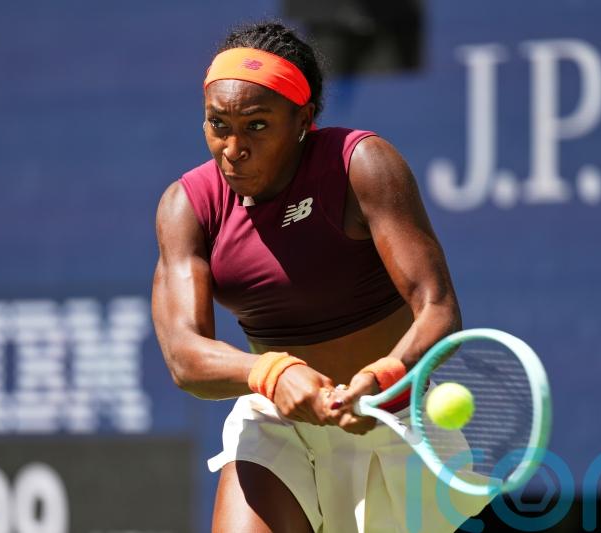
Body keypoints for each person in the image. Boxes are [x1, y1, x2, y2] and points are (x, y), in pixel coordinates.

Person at [152, 21, 488, 533]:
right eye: (218, 124)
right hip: (278, 422)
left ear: (303, 120)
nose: (232, 147)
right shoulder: (188, 206)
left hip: (391, 419)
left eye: (257, 126)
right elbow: (184, 354)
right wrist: (273, 373)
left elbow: (438, 308)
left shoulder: (362, 164)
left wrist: (381, 377)